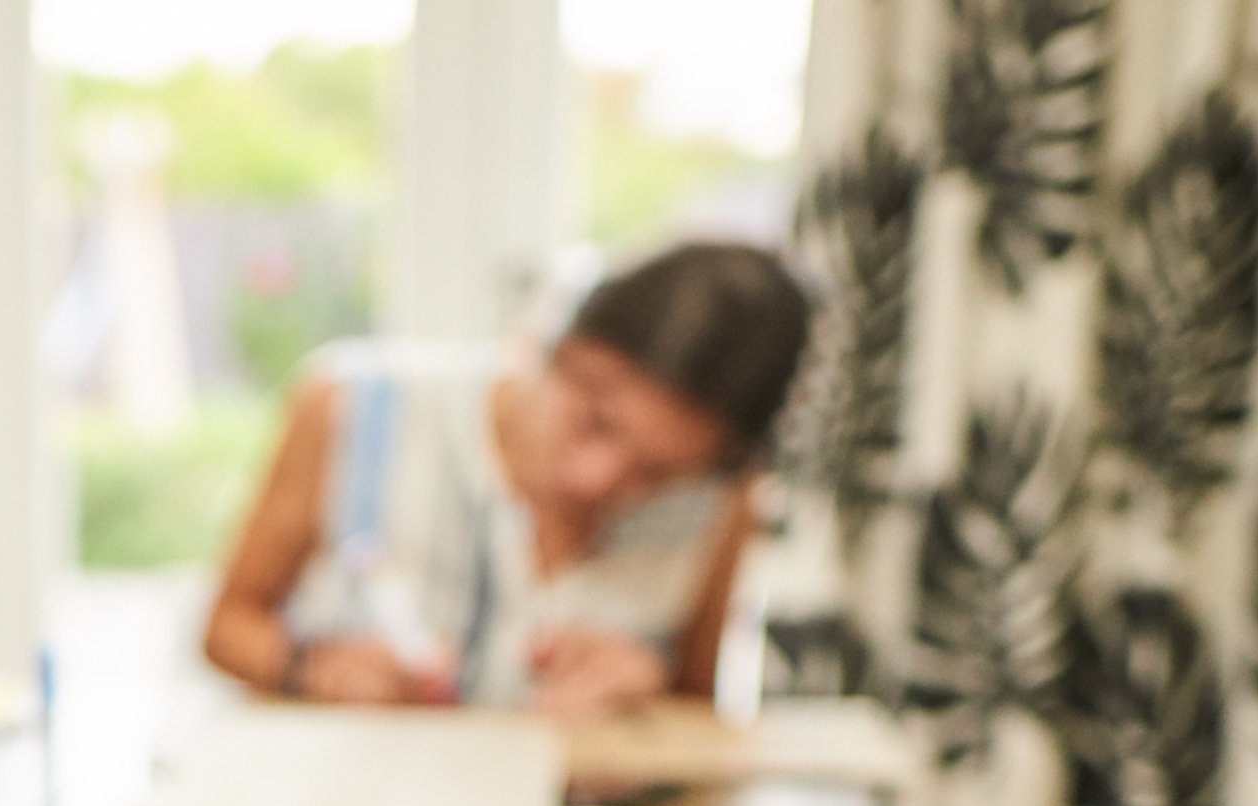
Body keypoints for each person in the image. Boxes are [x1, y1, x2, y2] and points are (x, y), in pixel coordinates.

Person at [202, 241, 812, 718]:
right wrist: (309, 669)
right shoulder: (351, 407)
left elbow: (695, 711)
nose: (595, 479)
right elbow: (225, 627)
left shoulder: (720, 503)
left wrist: (644, 685)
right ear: (560, 345)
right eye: (593, 421)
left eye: (657, 474)